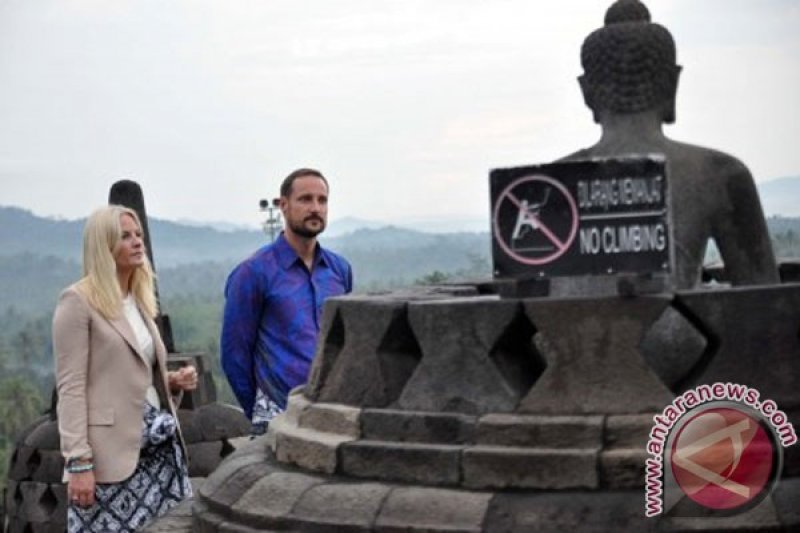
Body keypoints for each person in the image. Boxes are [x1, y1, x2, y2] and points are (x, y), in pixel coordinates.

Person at [556, 0, 779, 296]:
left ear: (587, 92)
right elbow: (766, 301)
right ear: (672, 84)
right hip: (687, 339)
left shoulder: (549, 185)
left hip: (575, 341)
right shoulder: (720, 174)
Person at [53, 205, 197, 532]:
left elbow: (130, 371)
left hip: (158, 449)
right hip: (109, 457)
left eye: (139, 235)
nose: (137, 243)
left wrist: (170, 381)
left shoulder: (139, 298)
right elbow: (71, 387)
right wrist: (79, 462)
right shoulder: (77, 301)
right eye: (125, 236)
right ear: (103, 245)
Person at [221, 168, 353, 434]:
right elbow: (234, 354)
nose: (315, 208)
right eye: (305, 199)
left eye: (322, 200)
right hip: (278, 413)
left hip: (332, 410)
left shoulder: (339, 270)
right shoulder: (254, 273)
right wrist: (260, 411)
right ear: (283, 205)